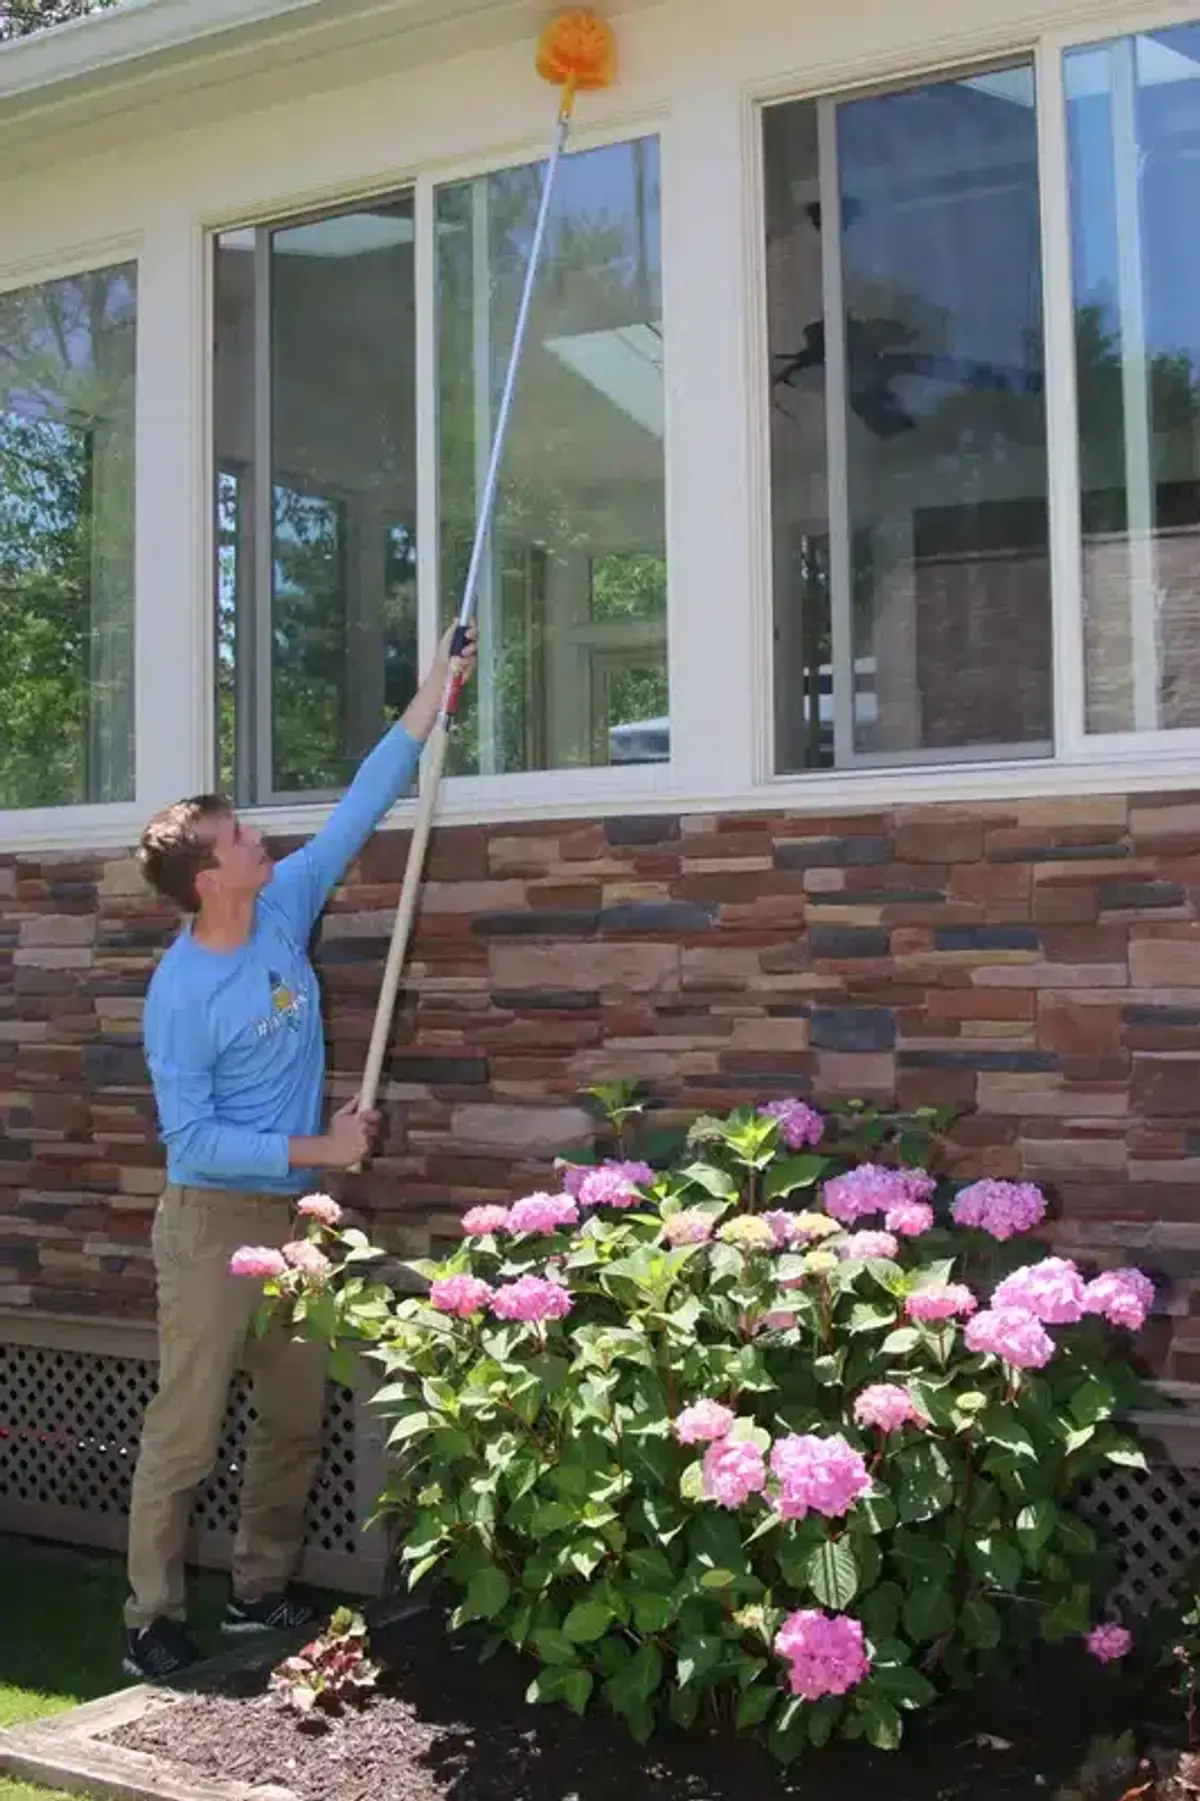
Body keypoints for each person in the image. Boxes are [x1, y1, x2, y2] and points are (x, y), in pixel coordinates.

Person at [123, 625, 477, 1680]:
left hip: (295, 1224)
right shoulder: (181, 995)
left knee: (291, 1415)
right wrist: (318, 1141)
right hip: (212, 1225)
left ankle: (262, 1590)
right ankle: (151, 1618)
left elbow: (367, 797)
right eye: (237, 839)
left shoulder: (281, 905)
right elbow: (192, 1141)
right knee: (186, 1429)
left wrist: (434, 691)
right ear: (205, 883)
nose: (258, 840)